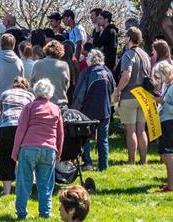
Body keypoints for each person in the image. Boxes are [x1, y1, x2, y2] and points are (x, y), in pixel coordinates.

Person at [13, 79, 64, 219]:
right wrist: (59, 152)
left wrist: (15, 151)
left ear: (35, 91)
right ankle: (45, 213)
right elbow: (60, 133)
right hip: (49, 149)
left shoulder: (29, 107)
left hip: (28, 148)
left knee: (24, 183)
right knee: (46, 184)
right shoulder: (56, 109)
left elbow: (21, 130)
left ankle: (21, 213)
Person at [112, 26, 152, 165]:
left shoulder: (128, 54)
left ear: (129, 38)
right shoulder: (145, 55)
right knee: (141, 130)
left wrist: (117, 90)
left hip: (129, 96)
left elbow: (126, 76)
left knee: (131, 131)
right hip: (143, 96)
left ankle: (131, 161)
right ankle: (143, 160)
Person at [71, 49, 115, 171]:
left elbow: (80, 93)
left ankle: (88, 163)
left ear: (89, 59)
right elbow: (113, 89)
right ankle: (103, 166)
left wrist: (75, 109)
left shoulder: (86, 72)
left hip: (88, 111)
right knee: (103, 139)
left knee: (85, 138)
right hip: (104, 110)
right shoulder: (108, 72)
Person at [0, 77, 34, 195]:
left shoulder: (4, 93)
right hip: (22, 127)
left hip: (6, 127)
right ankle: (24, 188)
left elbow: (1, 111)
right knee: (24, 158)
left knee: (6, 158)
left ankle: (6, 191)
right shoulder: (30, 96)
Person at [30, 40, 71, 107]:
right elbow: (66, 85)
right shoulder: (64, 66)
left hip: (41, 105)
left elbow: (31, 85)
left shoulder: (37, 64)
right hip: (59, 104)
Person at [0, 33, 24, 101]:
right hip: (14, 100)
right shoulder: (19, 62)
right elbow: (21, 82)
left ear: (0, 45)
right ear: (14, 45)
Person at [155, 60, 173, 192]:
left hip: (170, 123)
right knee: (164, 154)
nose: (159, 80)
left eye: (159, 77)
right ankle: (169, 182)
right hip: (164, 121)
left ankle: (171, 185)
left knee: (168, 155)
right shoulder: (166, 85)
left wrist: (163, 102)